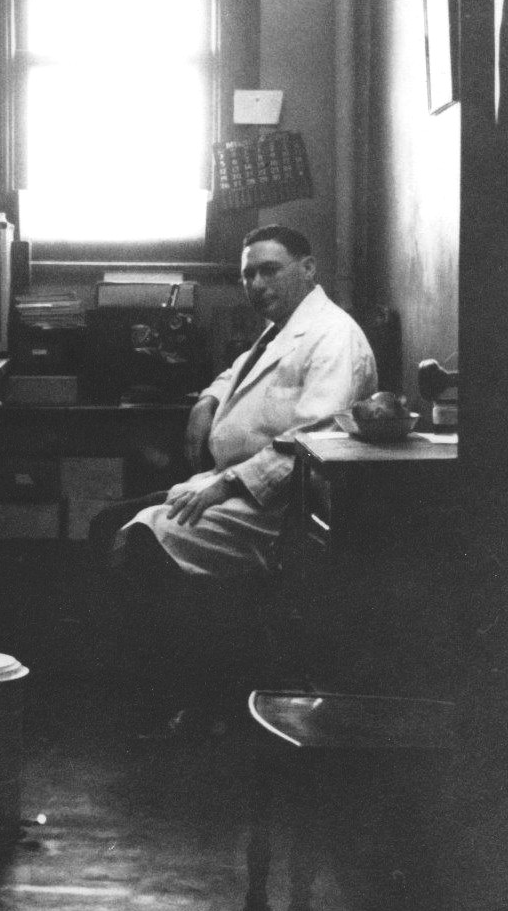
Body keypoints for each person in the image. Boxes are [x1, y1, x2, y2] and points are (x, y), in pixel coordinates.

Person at [102, 224, 378, 735]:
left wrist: (224, 485)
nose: (256, 283)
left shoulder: (334, 338)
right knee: (107, 522)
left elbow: (310, 441)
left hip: (276, 507)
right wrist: (207, 400)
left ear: (308, 269)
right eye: (248, 273)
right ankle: (165, 690)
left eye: (269, 270)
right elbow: (240, 372)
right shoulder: (285, 325)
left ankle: (197, 699)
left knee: (137, 543)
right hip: (231, 485)